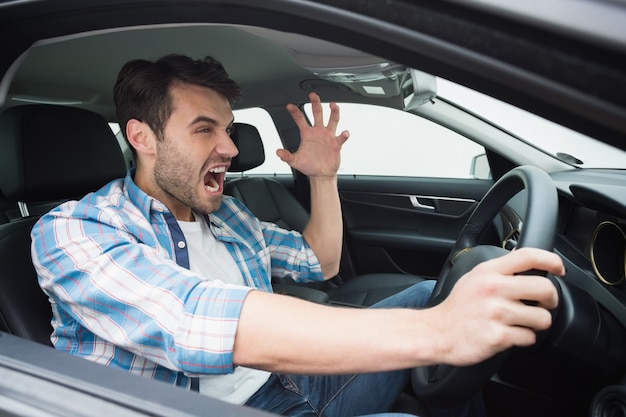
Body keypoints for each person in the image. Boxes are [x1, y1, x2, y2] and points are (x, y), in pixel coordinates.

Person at [31, 54, 563, 417]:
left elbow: (321, 261)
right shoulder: (75, 231)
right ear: (142, 137)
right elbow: (193, 319)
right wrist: (443, 331)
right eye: (204, 130)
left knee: (429, 297)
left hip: (281, 384)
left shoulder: (229, 217)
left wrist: (323, 177)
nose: (231, 148)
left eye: (228, 128)